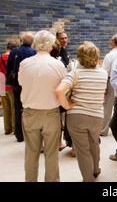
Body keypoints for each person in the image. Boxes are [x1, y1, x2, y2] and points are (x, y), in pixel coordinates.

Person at [18, 30, 66, 182]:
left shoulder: (24, 64)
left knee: (31, 152)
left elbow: (21, 83)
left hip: (30, 112)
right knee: (51, 153)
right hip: (51, 113)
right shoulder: (58, 65)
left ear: (35, 44)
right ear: (52, 45)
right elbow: (63, 88)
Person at [56, 41, 108, 182]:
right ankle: (96, 169)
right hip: (97, 116)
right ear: (97, 57)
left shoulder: (75, 73)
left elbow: (60, 91)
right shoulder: (103, 73)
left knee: (82, 150)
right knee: (94, 143)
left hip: (77, 117)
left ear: (79, 58)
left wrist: (67, 106)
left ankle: (88, 179)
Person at [6, 31, 36, 142]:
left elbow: (9, 68)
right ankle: (31, 133)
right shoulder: (34, 52)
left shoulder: (14, 51)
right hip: (31, 85)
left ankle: (19, 135)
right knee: (31, 109)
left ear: (22, 41)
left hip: (17, 85)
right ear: (32, 42)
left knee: (18, 108)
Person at [100, 33, 117, 136]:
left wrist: (103, 87)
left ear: (114, 42)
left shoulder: (109, 55)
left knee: (107, 107)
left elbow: (104, 72)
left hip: (110, 82)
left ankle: (104, 130)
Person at [0, 36, 20, 134]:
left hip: (2, 86)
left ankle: (7, 129)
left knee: (5, 108)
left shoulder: (0, 57)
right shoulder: (14, 57)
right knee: (13, 107)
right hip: (11, 85)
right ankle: (13, 128)